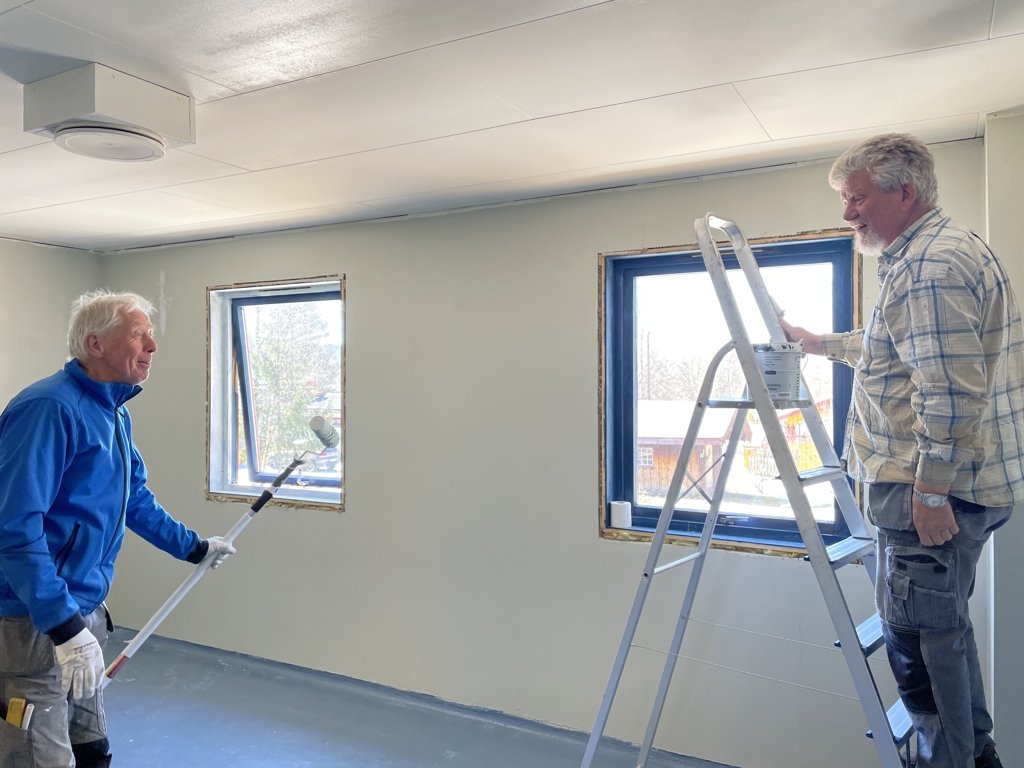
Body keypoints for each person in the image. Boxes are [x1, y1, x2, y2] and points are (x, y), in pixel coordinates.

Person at [781, 134, 1023, 768]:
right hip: (950, 485)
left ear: (903, 191)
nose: (848, 213)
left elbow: (947, 392)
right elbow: (893, 347)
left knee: (921, 646)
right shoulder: (932, 255)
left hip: (930, 491)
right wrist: (818, 343)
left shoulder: (929, 266)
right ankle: (979, 756)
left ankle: (951, 762)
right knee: (944, 633)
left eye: (857, 198)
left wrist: (930, 492)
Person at [0, 290, 236, 768]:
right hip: (33, 618)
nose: (152, 346)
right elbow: (14, 528)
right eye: (138, 334)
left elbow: (135, 500)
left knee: (90, 745)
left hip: (85, 610)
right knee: (36, 754)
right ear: (96, 343)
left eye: (151, 336)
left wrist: (193, 548)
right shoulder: (48, 409)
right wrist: (62, 625)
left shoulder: (114, 413)